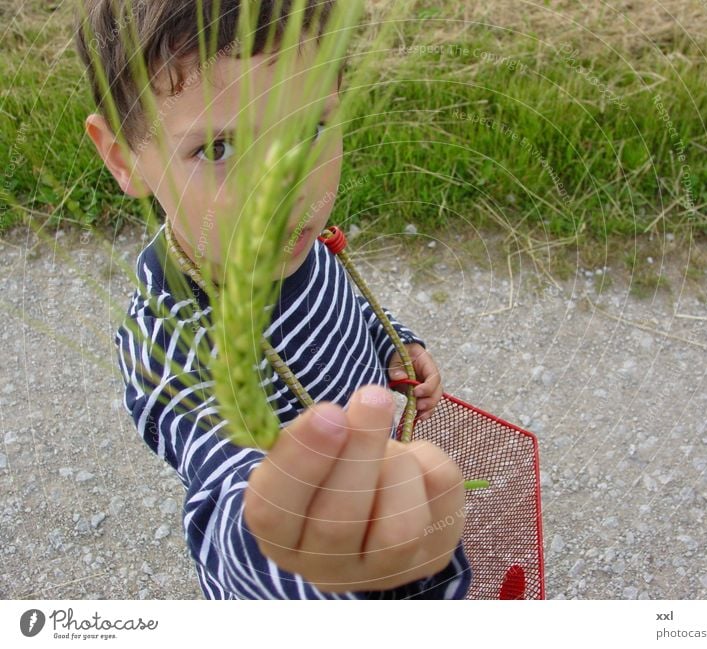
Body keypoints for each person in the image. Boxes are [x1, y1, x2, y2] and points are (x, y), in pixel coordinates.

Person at [75, 0, 471, 599]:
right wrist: (302, 550)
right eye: (218, 150)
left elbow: (347, 299)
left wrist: (396, 339)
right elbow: (228, 497)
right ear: (123, 158)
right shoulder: (171, 339)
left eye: (311, 129)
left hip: (378, 483)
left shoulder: (299, 243)